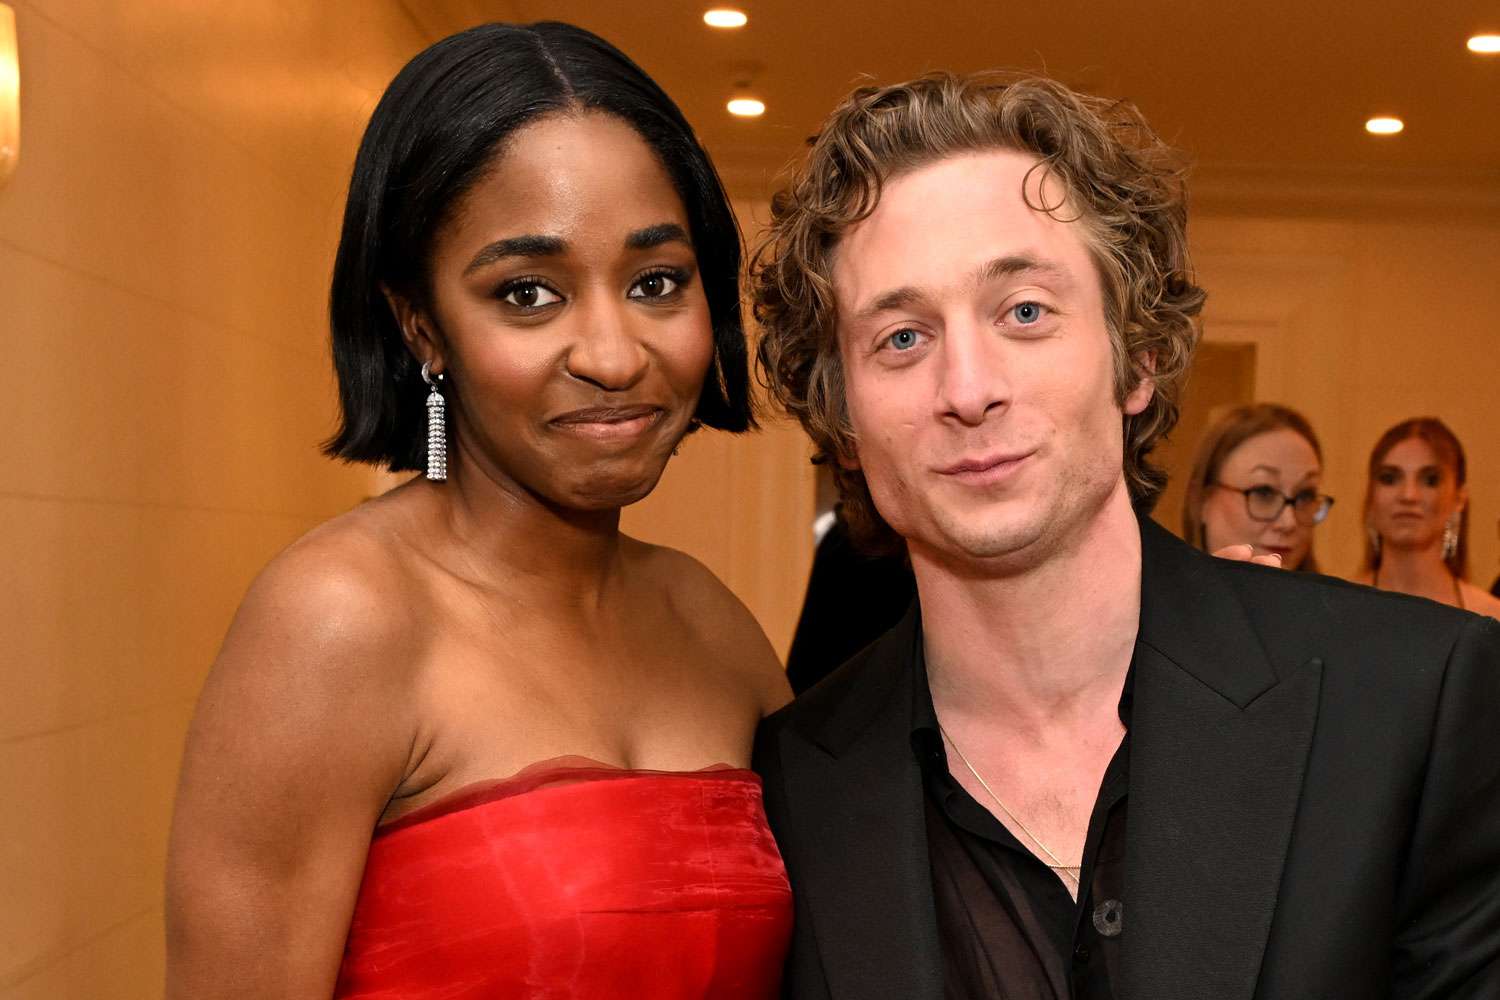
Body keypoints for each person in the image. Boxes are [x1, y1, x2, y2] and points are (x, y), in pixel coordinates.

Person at [751, 71, 1500, 999]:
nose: (968, 387)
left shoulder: (1415, 701)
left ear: (1137, 358)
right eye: (901, 338)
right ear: (845, 421)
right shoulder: (788, 787)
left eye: (1024, 311)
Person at [164, 22, 792, 1000]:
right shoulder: (341, 618)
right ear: (422, 324)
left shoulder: (711, 625)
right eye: (529, 292)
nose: (614, 354)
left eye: (656, 282)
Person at [1356, 417, 1500, 618]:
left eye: (1430, 480)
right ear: (1371, 496)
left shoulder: (1491, 619)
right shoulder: (1335, 608)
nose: (1408, 495)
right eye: (1389, 478)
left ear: (1459, 499)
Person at [1181, 402, 1333, 571]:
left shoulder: (1335, 596)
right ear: (1202, 500)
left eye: (1305, 496)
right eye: (1264, 493)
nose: (1288, 523)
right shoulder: (1155, 594)